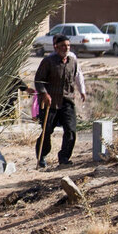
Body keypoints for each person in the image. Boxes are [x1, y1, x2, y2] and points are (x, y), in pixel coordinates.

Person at [34, 34, 81, 168]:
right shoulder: (48, 61)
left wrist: (76, 92)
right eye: (62, 46)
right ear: (56, 47)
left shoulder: (72, 61)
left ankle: (64, 157)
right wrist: (44, 93)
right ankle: (41, 157)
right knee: (47, 130)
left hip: (67, 101)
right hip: (50, 102)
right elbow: (39, 80)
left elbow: (74, 78)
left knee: (71, 130)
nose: (65, 48)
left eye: (68, 46)